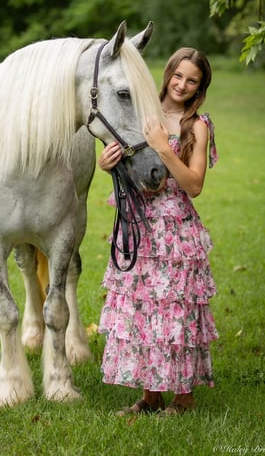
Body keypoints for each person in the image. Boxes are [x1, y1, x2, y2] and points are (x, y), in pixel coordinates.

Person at [97, 47, 219, 416]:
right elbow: (127, 159)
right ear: (167, 74)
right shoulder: (142, 111)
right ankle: (150, 397)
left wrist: (165, 149)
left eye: (192, 80)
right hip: (138, 225)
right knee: (143, 311)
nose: (182, 85)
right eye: (178, 76)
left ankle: (183, 398)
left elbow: (194, 184)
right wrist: (107, 164)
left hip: (174, 233)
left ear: (200, 87)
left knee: (174, 312)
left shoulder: (197, 126)